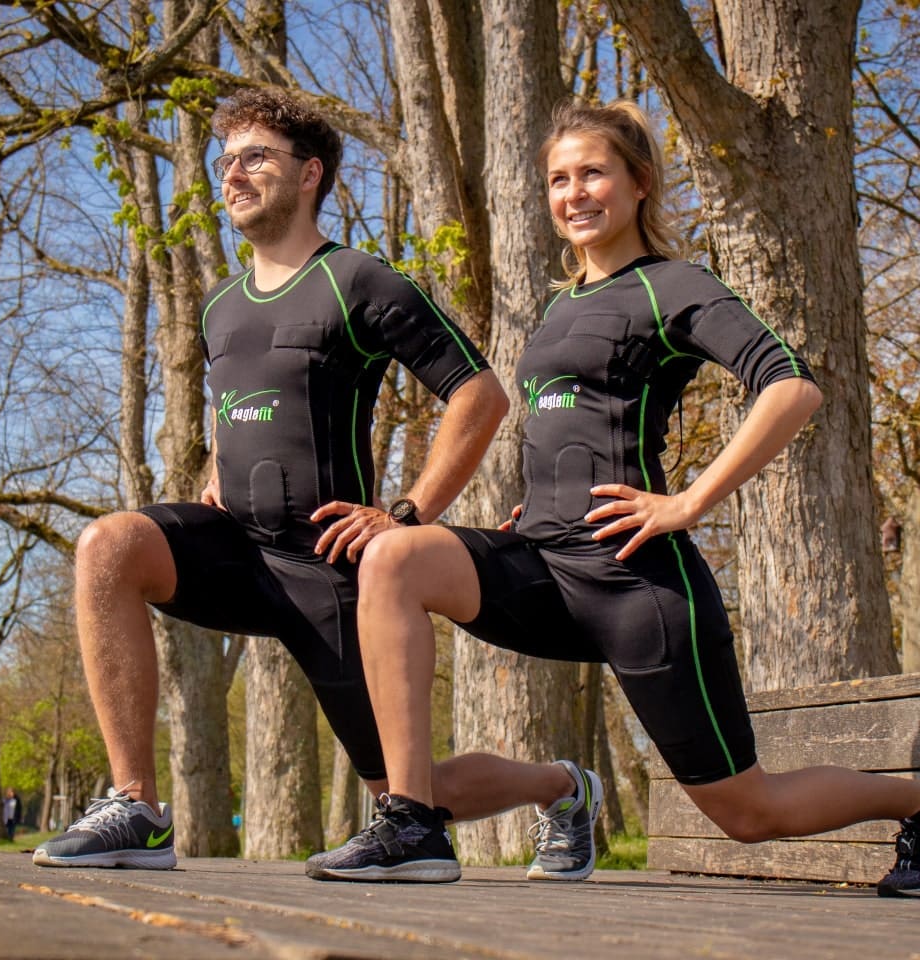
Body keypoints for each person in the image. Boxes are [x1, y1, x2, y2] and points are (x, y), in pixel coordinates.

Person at [310, 98, 920, 897]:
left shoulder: (673, 286)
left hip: (637, 583)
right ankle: (412, 821)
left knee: (745, 811)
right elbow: (574, 422)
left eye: (593, 173)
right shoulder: (560, 305)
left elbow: (791, 388)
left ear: (639, 183)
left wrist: (689, 502)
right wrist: (536, 505)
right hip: (545, 562)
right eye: (559, 180)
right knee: (395, 554)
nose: (575, 193)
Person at [32, 88, 603, 877]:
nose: (232, 175)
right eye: (225, 161)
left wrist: (404, 514)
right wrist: (210, 472)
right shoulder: (220, 307)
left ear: (311, 174)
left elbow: (480, 394)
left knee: (409, 791)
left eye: (254, 158)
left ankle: (564, 789)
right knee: (110, 545)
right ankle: (135, 806)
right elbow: (239, 406)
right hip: (238, 551)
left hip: (325, 567)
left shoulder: (358, 281)